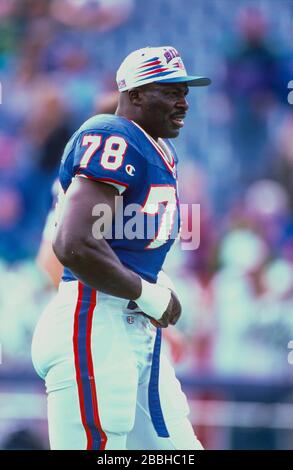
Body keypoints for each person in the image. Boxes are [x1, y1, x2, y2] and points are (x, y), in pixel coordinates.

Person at [31, 46, 211, 450]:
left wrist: (154, 288)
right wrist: (149, 295)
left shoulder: (160, 149)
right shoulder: (114, 135)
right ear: (135, 94)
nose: (183, 102)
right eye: (170, 91)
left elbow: (129, 244)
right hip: (94, 319)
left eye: (185, 91)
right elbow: (72, 245)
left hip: (134, 328)